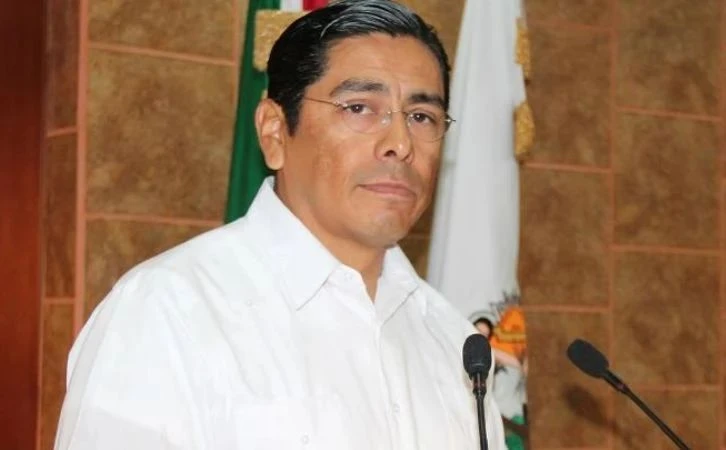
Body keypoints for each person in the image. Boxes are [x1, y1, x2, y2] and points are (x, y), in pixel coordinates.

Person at [54, 1, 506, 449]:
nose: (400, 143)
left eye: (422, 117)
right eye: (359, 108)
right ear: (274, 132)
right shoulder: (167, 313)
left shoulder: (453, 341)